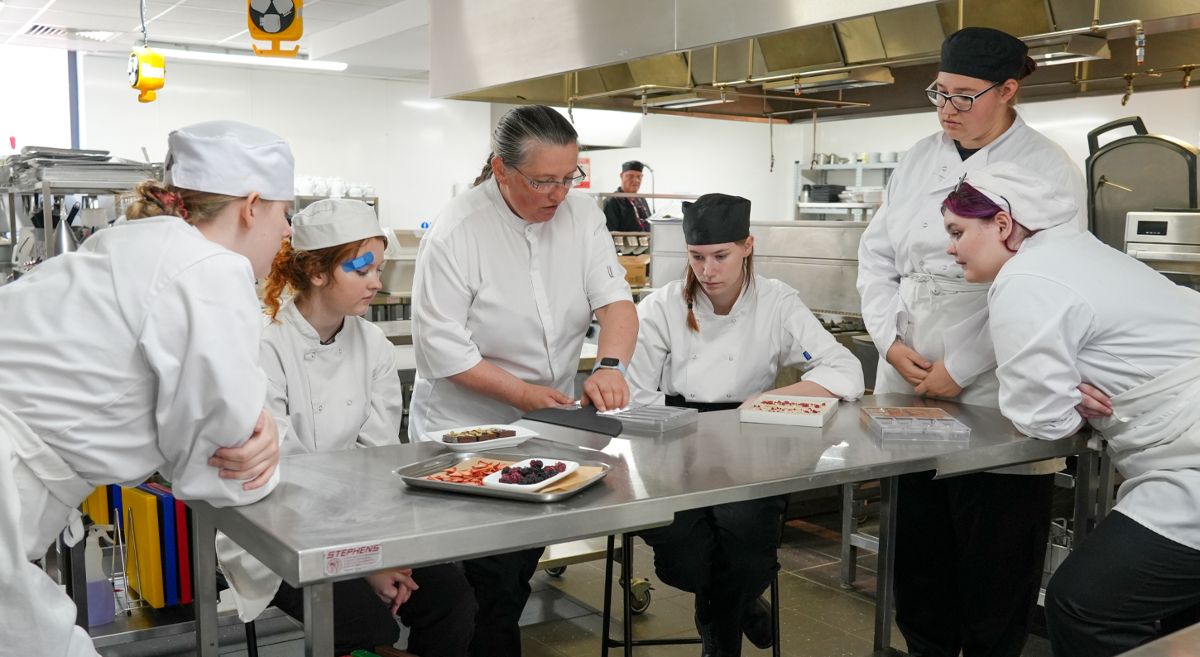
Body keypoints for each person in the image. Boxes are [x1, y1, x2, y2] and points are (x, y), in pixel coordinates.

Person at [0, 120, 292, 656]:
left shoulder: (134, 243)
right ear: (252, 207)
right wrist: (261, 439)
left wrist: (255, 424)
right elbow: (223, 466)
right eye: (284, 212)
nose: (288, 232)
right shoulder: (211, 270)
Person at [855, 27, 1087, 657]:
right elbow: (876, 256)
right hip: (906, 372)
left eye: (964, 96)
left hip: (996, 377)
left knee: (995, 553)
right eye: (940, 93)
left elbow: (1043, 284)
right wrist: (887, 342)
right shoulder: (918, 156)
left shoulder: (1046, 168)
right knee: (918, 553)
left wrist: (961, 366)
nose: (947, 110)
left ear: (1008, 90)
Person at [941, 163, 1200, 657]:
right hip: (1185, 447)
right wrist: (1065, 388)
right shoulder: (1073, 251)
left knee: (1085, 605)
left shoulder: (1026, 279)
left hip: (1191, 463)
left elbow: (1042, 419)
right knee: (1178, 617)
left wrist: (1064, 398)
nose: (949, 248)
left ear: (1001, 225)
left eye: (957, 232)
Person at [410, 104, 638, 657]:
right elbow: (446, 351)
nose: (558, 194)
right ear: (500, 169)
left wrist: (609, 366)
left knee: (509, 574)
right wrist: (523, 395)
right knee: (479, 584)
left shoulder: (582, 215)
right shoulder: (457, 230)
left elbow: (616, 301)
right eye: (543, 181)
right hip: (465, 433)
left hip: (545, 428)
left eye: (568, 178)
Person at [217, 198, 476, 656]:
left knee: (451, 597)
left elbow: (376, 458)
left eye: (379, 268)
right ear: (317, 273)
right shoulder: (263, 340)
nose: (377, 283)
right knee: (368, 624)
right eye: (362, 271)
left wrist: (381, 552)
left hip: (363, 519)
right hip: (275, 530)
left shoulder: (372, 342)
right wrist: (364, 564)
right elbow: (285, 470)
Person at [627, 193, 864, 657]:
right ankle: (741, 606)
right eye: (697, 257)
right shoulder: (661, 306)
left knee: (750, 552)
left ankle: (721, 639)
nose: (708, 270)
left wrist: (774, 397)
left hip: (752, 441)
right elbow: (637, 394)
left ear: (748, 246)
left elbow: (846, 372)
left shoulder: (776, 302)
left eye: (721, 256)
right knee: (684, 558)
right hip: (674, 438)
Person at [603, 160, 652, 232]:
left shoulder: (642, 200)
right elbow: (609, 233)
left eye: (639, 176)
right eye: (630, 176)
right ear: (621, 176)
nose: (636, 180)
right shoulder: (612, 201)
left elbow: (649, 226)